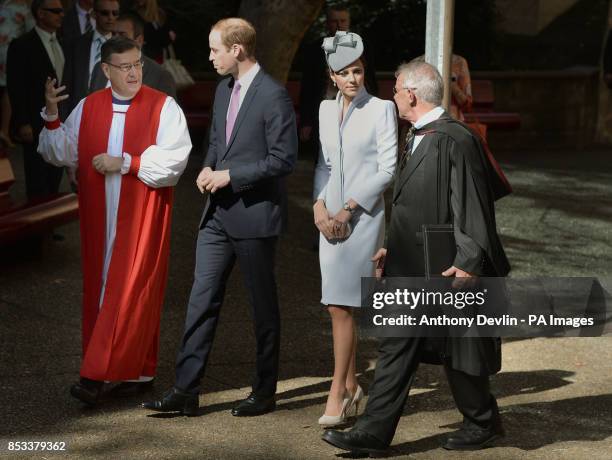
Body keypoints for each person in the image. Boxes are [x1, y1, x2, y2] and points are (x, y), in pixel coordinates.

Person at [322, 60, 510, 455]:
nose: (391, 96)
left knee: (459, 350)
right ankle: (373, 434)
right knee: (397, 346)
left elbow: (472, 205)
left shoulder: (454, 139)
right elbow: (415, 205)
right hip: (414, 261)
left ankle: (482, 421)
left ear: (410, 94)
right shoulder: (419, 136)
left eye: (394, 90)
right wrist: (395, 246)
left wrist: (470, 261)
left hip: (448, 264)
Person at [143, 17, 297, 417]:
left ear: (237, 50)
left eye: (215, 50)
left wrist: (231, 176)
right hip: (216, 217)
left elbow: (283, 160)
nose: (210, 57)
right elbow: (216, 140)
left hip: (254, 217)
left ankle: (264, 392)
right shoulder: (223, 88)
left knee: (263, 309)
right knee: (200, 301)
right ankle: (186, 390)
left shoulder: (273, 95)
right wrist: (208, 167)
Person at [37, 35, 192, 405]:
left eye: (137, 63)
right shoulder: (90, 106)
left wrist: (125, 162)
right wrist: (52, 115)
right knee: (105, 289)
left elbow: (175, 163)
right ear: (106, 70)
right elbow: (61, 152)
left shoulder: (163, 107)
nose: (134, 72)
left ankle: (95, 377)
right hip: (98, 220)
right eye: (124, 66)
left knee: (132, 290)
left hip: (141, 219)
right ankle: (137, 372)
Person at [313, 31, 396, 427]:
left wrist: (348, 208)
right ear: (332, 76)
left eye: (358, 71)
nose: (352, 79)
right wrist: (318, 206)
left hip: (362, 218)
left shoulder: (381, 109)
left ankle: (338, 392)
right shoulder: (325, 111)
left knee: (343, 305)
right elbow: (324, 165)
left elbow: (388, 170)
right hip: (328, 216)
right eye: (344, 72)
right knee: (334, 305)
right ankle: (352, 385)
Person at [298, 6, 377, 157]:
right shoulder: (315, 49)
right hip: (323, 109)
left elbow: (371, 82)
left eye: (343, 20)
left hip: (355, 108)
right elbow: (307, 87)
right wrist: (306, 121)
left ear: (349, 22)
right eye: (334, 21)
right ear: (327, 23)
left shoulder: (363, 46)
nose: (339, 25)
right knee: (323, 158)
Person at [6, 0, 64, 200]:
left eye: (61, 11)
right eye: (55, 11)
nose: (61, 15)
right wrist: (22, 122)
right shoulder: (21, 45)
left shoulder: (64, 42)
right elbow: (16, 86)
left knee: (56, 176)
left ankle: (50, 229)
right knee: (37, 180)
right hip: (35, 124)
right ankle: (38, 230)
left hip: (61, 122)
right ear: (41, 13)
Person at [89, 11, 176, 98]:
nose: (115, 40)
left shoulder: (160, 77)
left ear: (139, 41)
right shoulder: (100, 69)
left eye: (122, 35)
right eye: (113, 34)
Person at [62, 0, 117, 115]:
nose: (110, 17)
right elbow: (66, 85)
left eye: (115, 13)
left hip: (110, 114)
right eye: (105, 13)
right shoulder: (77, 45)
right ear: (94, 14)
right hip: (76, 114)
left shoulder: (122, 48)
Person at [0, 0, 34, 147]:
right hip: (9, 53)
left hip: (6, 50)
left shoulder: (4, 6)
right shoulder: (24, 9)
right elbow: (31, 31)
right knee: (9, 90)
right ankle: (4, 131)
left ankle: (5, 131)